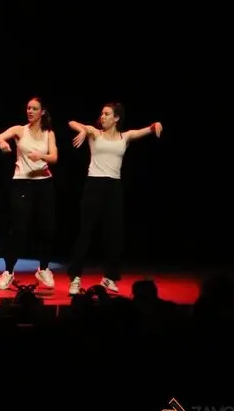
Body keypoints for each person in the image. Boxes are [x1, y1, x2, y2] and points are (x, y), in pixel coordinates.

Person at [66, 103, 163, 295]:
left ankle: (109, 277)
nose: (102, 116)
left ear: (116, 118)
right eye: (101, 113)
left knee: (114, 234)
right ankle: (75, 277)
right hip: (94, 185)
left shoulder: (124, 137)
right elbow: (72, 122)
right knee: (85, 232)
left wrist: (156, 125)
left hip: (114, 188)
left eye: (107, 114)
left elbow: (146, 130)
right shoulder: (95, 133)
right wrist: (83, 131)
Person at [0, 96, 59, 291]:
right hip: (22, 184)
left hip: (44, 184)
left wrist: (41, 156)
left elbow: (54, 157)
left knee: (47, 228)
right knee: (19, 229)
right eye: (28, 108)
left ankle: (43, 268)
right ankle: (9, 271)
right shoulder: (19, 130)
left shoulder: (48, 133)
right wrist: (2, 143)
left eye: (34, 108)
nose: (30, 111)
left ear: (42, 111)